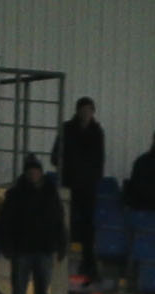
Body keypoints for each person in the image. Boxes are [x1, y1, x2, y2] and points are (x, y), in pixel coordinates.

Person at [0, 156, 67, 294]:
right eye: (30, 171)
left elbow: (59, 221)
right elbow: (5, 223)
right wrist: (7, 246)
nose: (33, 174)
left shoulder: (51, 194)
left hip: (44, 251)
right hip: (22, 251)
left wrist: (61, 245)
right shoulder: (15, 194)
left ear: (40, 173)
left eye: (35, 171)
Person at [52, 98, 104, 261]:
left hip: (87, 185)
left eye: (88, 110)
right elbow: (56, 155)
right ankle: (63, 248)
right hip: (70, 182)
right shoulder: (68, 129)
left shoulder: (97, 132)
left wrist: (93, 178)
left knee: (87, 221)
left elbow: (99, 159)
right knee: (66, 218)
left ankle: (87, 256)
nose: (85, 113)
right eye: (83, 110)